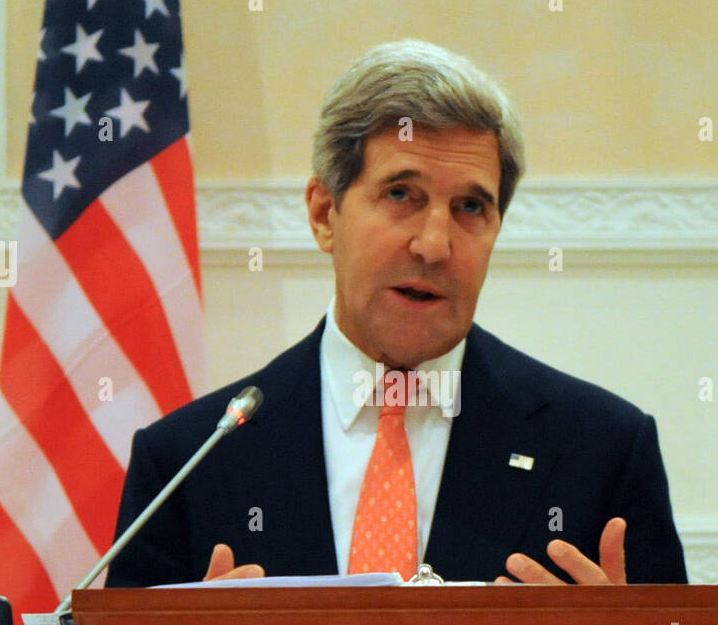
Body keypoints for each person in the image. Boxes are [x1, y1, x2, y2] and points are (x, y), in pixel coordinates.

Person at [107, 39, 686, 588]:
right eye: (402, 195)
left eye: (470, 207)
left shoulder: (602, 449)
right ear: (325, 213)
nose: (434, 245)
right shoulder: (188, 462)